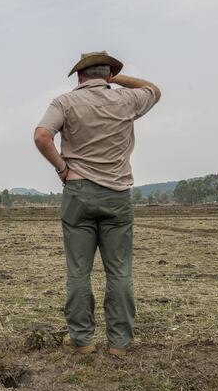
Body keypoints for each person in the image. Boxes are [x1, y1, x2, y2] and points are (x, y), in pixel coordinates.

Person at [34, 51, 161, 357]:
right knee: (119, 272)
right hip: (117, 195)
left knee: (78, 272)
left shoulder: (64, 102)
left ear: (79, 77)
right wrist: (117, 80)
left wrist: (63, 169)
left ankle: (82, 340)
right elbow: (154, 90)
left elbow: (41, 136)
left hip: (78, 193)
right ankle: (119, 343)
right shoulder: (127, 100)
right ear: (107, 76)